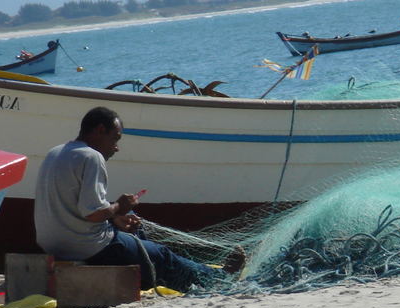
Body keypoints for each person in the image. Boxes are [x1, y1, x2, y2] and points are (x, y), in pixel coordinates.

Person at [34, 106, 244, 292]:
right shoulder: (91, 156)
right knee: (162, 255)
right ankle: (219, 278)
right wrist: (119, 206)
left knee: (131, 219)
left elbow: (77, 208)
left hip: (53, 244)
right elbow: (93, 213)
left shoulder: (56, 152)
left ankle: (144, 263)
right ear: (99, 131)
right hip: (85, 246)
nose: (116, 147)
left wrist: (117, 215)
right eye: (115, 139)